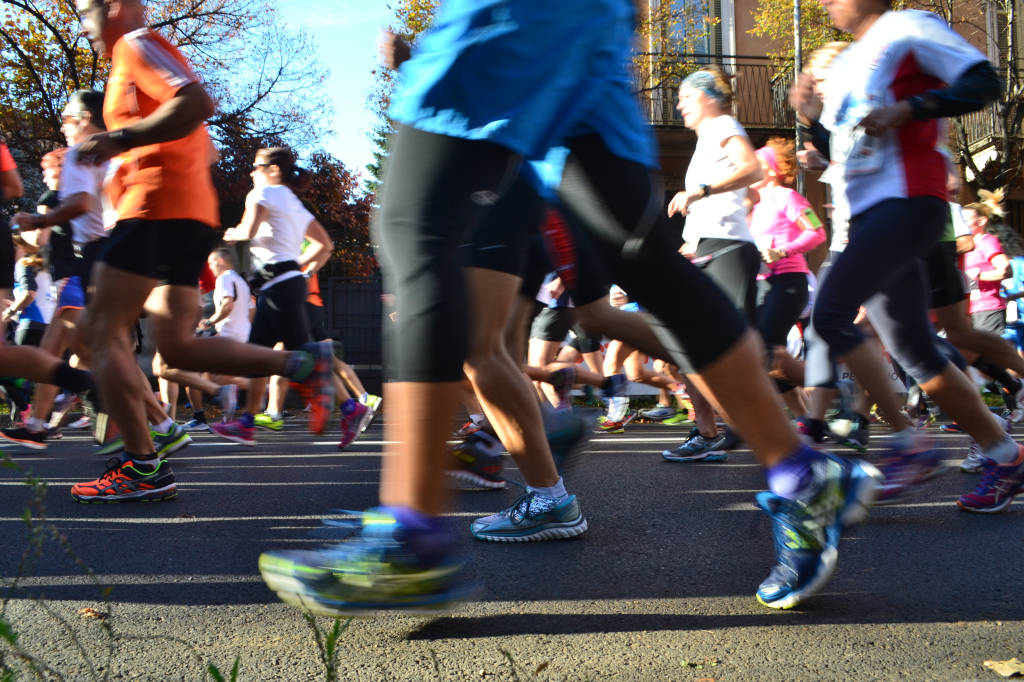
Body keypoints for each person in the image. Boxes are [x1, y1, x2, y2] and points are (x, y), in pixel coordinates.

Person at [258, 0, 880, 615]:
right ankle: (804, 476)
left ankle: (411, 538)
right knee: (645, 266)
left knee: (415, 225)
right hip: (585, 31)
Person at [69, 0, 333, 503]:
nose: (84, 29)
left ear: (115, 6)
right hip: (182, 214)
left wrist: (118, 139)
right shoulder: (126, 62)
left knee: (98, 331)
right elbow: (200, 141)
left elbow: (195, 103)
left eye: (86, 13)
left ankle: (144, 466)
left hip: (157, 209)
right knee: (179, 348)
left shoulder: (137, 43)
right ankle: (301, 365)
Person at [792, 0, 1017, 511]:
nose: (826, 2)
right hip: (869, 214)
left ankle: (908, 442)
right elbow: (850, 146)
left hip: (910, 201)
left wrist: (913, 108)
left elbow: (984, 83)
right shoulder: (850, 62)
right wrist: (811, 117)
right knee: (914, 347)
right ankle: (1007, 458)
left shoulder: (906, 28)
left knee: (827, 314)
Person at [211, 147, 363, 448]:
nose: (252, 172)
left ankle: (350, 408)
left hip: (278, 285)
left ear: (273, 170)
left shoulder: (261, 194)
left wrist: (233, 234)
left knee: (304, 355)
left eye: (256, 166)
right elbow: (325, 245)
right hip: (283, 284)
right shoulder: (293, 202)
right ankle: (247, 421)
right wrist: (301, 270)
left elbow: (249, 230)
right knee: (260, 355)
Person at [660, 67, 763, 463]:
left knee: (731, 346)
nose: (679, 106)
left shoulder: (722, 123)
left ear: (708, 98)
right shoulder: (706, 139)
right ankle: (706, 431)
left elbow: (754, 169)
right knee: (686, 344)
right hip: (705, 246)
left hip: (728, 248)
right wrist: (690, 240)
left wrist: (700, 192)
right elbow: (744, 191)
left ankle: (768, 430)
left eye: (685, 98)